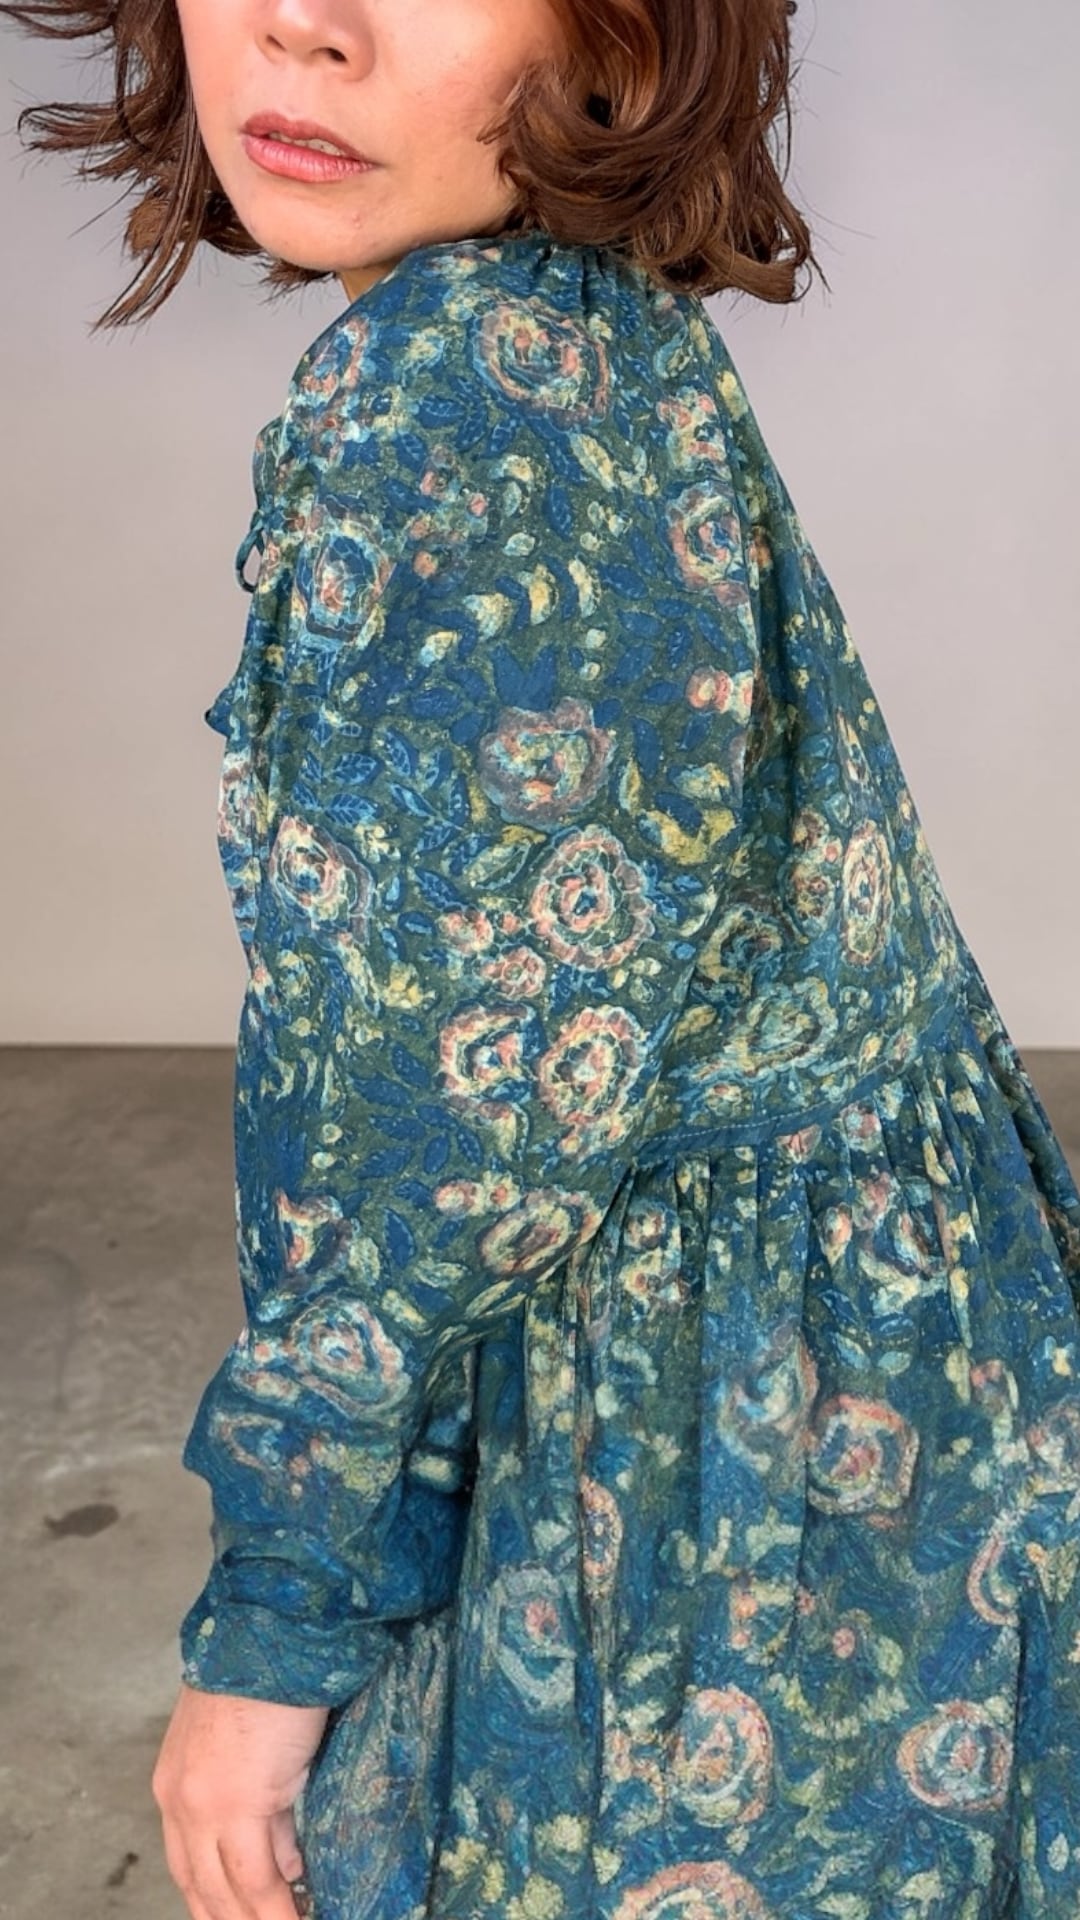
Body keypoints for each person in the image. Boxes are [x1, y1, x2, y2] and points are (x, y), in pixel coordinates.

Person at [6, 0, 1080, 1915]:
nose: (301, 27)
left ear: (622, 32)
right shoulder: (579, 326)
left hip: (693, 1469)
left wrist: (271, 1639)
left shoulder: (458, 399)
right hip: (892, 1383)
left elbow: (450, 1143)